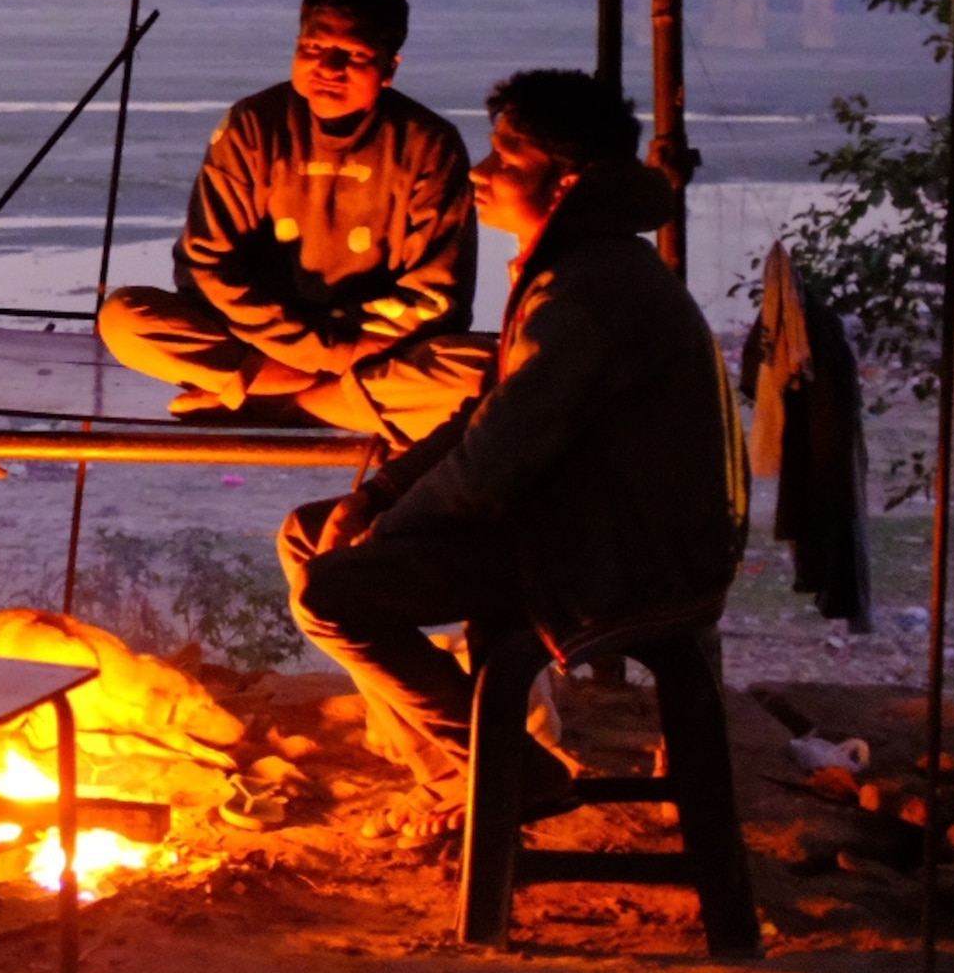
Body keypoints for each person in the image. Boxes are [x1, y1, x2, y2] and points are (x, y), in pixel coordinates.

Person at [278, 69, 746, 827]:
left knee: (330, 597)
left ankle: (511, 771)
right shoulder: (569, 265)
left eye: (508, 157)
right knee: (309, 533)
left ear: (568, 181)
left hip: (617, 559)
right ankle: (460, 770)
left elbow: (492, 461)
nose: (482, 172)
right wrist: (376, 496)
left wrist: (384, 533)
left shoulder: (590, 288)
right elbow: (483, 414)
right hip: (579, 531)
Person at [98, 0, 486, 442]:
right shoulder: (252, 125)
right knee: (123, 318)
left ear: (389, 67)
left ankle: (270, 398)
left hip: (368, 350)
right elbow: (206, 266)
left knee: (475, 373)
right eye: (313, 48)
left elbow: (435, 295)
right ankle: (319, 399)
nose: (329, 67)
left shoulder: (430, 144)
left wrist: (345, 346)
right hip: (266, 342)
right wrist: (314, 350)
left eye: (354, 55)